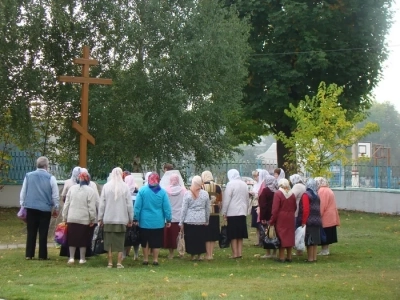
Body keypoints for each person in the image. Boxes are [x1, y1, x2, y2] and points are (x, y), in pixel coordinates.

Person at [19, 156, 60, 260]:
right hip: (45, 208)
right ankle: (42, 255)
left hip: (31, 207)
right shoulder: (51, 178)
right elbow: (55, 195)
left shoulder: (28, 176)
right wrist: (56, 207)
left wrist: (22, 205)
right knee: (43, 232)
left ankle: (29, 254)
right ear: (46, 166)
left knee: (31, 231)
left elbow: (23, 191)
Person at [134, 172, 172, 266]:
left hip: (144, 221)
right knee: (156, 241)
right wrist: (168, 219)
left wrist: (135, 218)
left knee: (145, 240)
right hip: (158, 221)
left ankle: (146, 259)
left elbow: (137, 206)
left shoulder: (142, 190)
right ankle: (155, 259)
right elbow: (167, 207)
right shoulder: (162, 192)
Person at [98, 167, 133, 269]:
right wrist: (131, 218)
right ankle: (118, 262)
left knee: (108, 241)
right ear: (122, 174)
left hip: (108, 218)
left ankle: (109, 262)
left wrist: (100, 218)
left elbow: (102, 204)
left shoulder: (106, 186)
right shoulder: (125, 187)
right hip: (121, 218)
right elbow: (129, 205)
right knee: (120, 241)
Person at [62, 171, 97, 264]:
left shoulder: (72, 189)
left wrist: (64, 217)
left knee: (72, 238)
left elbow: (66, 204)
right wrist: (92, 219)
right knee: (83, 239)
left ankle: (71, 258)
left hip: (71, 217)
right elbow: (91, 207)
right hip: (84, 219)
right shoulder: (91, 191)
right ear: (88, 180)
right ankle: (82, 259)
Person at [179, 176, 210, 261]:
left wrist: (181, 222)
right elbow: (207, 208)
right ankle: (199, 255)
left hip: (189, 219)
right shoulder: (205, 194)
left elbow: (184, 209)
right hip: (201, 219)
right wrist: (207, 219)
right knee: (200, 238)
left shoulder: (187, 194)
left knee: (190, 238)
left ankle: (192, 255)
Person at [221, 169, 249, 259]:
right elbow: (247, 198)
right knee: (240, 234)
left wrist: (224, 212)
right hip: (242, 211)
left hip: (232, 212)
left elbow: (227, 199)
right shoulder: (244, 184)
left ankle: (234, 253)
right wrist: (246, 209)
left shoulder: (230, 184)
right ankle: (240, 253)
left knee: (233, 234)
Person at [268, 178, 296, 263]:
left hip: (281, 217)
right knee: (290, 236)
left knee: (281, 236)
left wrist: (272, 220)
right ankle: (289, 256)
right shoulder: (292, 194)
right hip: (290, 217)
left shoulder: (278, 193)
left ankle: (281, 257)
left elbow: (275, 209)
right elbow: (295, 207)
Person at [297, 178, 322, 262]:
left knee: (309, 241)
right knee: (315, 240)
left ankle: (310, 258)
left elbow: (306, 209)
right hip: (317, 220)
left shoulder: (306, 195)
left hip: (309, 220)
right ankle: (314, 257)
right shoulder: (317, 195)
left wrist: (303, 221)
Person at [315, 177, 340, 256]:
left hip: (326, 216)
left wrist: (319, 214)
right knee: (328, 232)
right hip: (331, 215)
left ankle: (325, 250)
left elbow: (322, 204)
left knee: (325, 233)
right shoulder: (328, 189)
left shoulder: (322, 191)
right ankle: (325, 249)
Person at [164, 173, 186, 259]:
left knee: (170, 236)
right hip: (180, 216)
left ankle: (171, 253)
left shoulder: (166, 191)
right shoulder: (183, 190)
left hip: (170, 216)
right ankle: (181, 252)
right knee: (180, 235)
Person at [201, 170, 222, 260]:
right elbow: (220, 201)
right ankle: (211, 254)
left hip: (204, 212)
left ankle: (207, 254)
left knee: (206, 233)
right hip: (215, 212)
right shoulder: (218, 187)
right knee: (213, 233)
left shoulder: (202, 187)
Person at [258, 173, 277, 258]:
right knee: (274, 233)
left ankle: (268, 252)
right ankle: (274, 252)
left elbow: (263, 205)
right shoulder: (277, 190)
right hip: (275, 215)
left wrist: (262, 217)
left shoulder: (265, 191)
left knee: (267, 233)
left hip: (267, 215)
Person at [124, 173, 140, 260]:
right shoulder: (138, 191)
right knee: (136, 236)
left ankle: (124, 254)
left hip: (127, 216)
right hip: (136, 217)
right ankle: (136, 254)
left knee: (126, 237)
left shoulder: (124, 190)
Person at [290, 174, 306, 256]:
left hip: (296, 211)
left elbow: (291, 196)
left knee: (296, 231)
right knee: (300, 231)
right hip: (301, 210)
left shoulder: (297, 186)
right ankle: (300, 250)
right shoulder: (303, 186)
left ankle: (298, 249)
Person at [249, 170, 262, 246]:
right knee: (256, 224)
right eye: (254, 176)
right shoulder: (255, 184)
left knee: (259, 223)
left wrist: (255, 194)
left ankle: (261, 239)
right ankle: (257, 240)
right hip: (254, 204)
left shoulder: (262, 184)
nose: (255, 178)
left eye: (256, 176)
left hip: (259, 204)